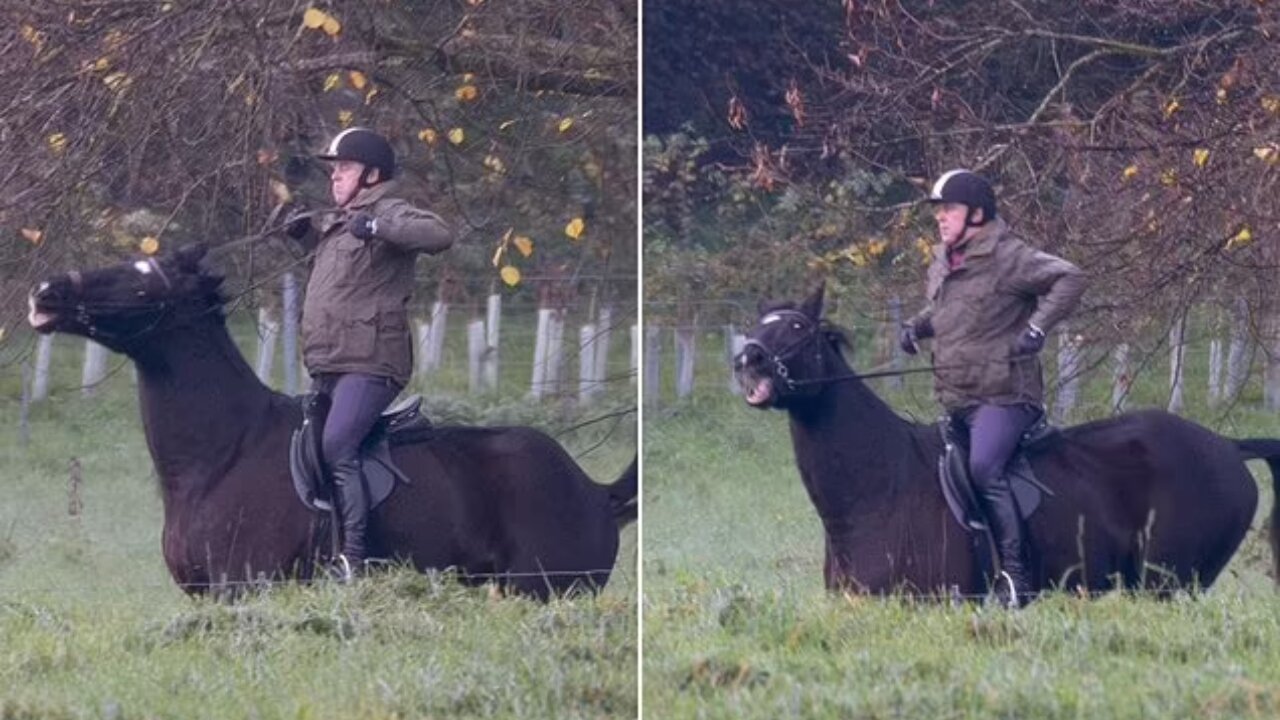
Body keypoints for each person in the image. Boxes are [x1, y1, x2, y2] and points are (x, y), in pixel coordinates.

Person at [900, 168, 1086, 608]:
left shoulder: (1010, 257)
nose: (940, 218)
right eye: (938, 211)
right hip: (956, 396)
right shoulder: (945, 261)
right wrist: (916, 327)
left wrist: (1038, 329)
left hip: (1005, 397)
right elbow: (947, 311)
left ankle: (1017, 581)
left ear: (977, 214)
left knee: (985, 469)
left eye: (949, 209)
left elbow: (1070, 278)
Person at [285, 127, 453, 580]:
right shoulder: (336, 224)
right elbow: (340, 285)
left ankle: (353, 559)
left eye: (343, 168)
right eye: (333, 170)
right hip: (330, 362)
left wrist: (378, 226)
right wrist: (303, 238)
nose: (334, 178)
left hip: (372, 361)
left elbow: (439, 234)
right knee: (310, 451)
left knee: (338, 444)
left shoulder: (387, 210)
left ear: (372, 175)